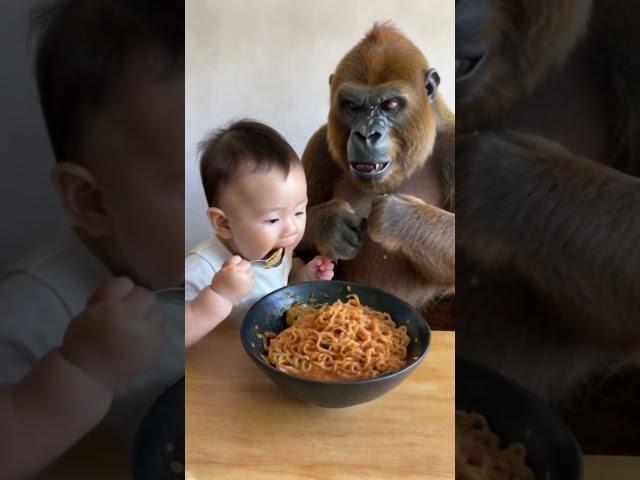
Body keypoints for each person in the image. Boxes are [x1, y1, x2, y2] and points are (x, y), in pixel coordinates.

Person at [0, 1, 184, 477]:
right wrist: (81, 370)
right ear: (93, 203)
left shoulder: (213, 260)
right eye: (196, 187)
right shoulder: (37, 311)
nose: (232, 213)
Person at [185, 120, 334, 347]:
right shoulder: (202, 268)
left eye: (299, 211)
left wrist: (303, 276)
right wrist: (219, 295)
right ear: (224, 223)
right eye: (273, 219)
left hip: (274, 356)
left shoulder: (280, 248)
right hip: (221, 369)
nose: (292, 228)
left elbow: (276, 287)